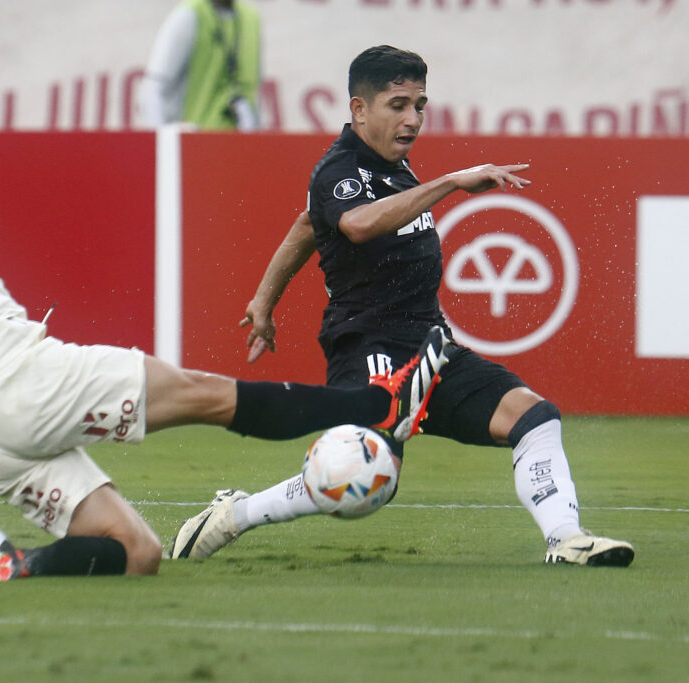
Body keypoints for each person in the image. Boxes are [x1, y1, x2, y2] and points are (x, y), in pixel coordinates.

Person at [0, 110, 450, 581]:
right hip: (25, 382)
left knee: (138, 553)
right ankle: (374, 405)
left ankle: (14, 564)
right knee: (207, 396)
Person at [170, 46, 634, 567]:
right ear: (359, 109)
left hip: (431, 350)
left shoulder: (391, 165)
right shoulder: (340, 170)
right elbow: (356, 225)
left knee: (534, 417)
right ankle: (235, 514)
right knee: (369, 475)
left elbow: (306, 226)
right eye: (398, 104)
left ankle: (566, 538)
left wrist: (263, 302)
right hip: (369, 345)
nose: (412, 118)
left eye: (420, 104)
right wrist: (451, 183)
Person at [139, 0, 262, 131]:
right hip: (194, 141)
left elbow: (255, 92)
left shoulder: (252, 19)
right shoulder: (189, 15)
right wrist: (163, 140)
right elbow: (153, 88)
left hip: (240, 143)